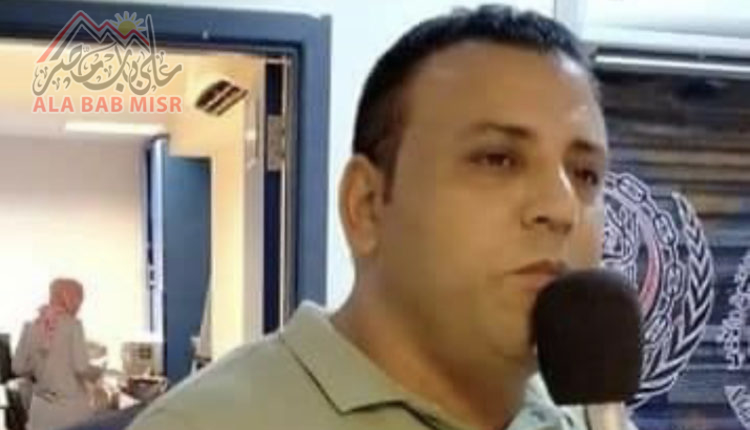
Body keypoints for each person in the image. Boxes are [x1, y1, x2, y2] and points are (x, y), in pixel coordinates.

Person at [128, 5, 616, 430]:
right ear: (365, 205)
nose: (562, 208)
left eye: (585, 174)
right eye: (497, 159)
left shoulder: (589, 417)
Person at [12, 279, 102, 430]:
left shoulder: (30, 326)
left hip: (40, 410)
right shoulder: (73, 325)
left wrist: (39, 366)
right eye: (79, 299)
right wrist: (98, 373)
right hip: (68, 411)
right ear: (70, 298)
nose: (79, 305)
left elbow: (18, 368)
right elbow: (81, 368)